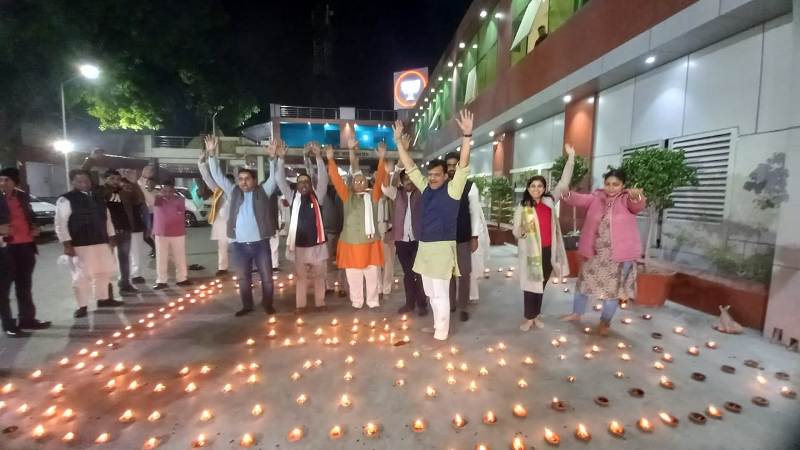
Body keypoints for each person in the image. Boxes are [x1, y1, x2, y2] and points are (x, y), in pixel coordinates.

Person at [393, 110, 474, 341]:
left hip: (442, 247)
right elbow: (409, 166)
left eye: (437, 175)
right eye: (430, 174)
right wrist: (398, 142)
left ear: (446, 176)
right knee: (429, 292)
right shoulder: (425, 188)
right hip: (425, 246)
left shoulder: (453, 189)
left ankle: (442, 331)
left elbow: (464, 164)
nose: (432, 178)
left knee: (440, 293)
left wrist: (467, 136)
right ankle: (438, 324)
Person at [560, 168, 646, 335]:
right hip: (595, 253)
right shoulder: (596, 198)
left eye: (616, 184)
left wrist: (637, 197)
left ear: (623, 185)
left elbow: (638, 206)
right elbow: (579, 199)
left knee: (611, 292)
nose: (611, 187)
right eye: (608, 184)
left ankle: (605, 322)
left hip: (617, 257)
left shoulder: (627, 199)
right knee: (583, 284)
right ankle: (576, 313)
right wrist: (567, 193)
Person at [206, 135, 279, 316]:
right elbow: (218, 177)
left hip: (260, 244)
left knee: (267, 278)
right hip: (239, 245)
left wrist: (273, 158)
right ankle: (247, 305)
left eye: (247, 178)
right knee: (243, 278)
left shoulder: (264, 191)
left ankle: (267, 304)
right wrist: (211, 154)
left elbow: (275, 177)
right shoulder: (233, 192)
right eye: (240, 179)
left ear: (254, 180)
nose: (243, 182)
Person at [513, 144, 575, 331]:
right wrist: (522, 230)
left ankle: (536, 315)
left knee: (541, 284)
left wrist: (571, 157)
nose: (536, 189)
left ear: (544, 188)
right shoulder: (522, 208)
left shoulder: (549, 202)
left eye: (540, 186)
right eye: (533, 186)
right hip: (532, 254)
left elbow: (564, 183)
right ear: (528, 188)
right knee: (530, 286)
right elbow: (516, 232)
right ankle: (529, 318)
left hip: (548, 251)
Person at [326, 139, 387, 309]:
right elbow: (336, 179)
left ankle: (373, 301)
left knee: (372, 274)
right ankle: (357, 301)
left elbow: (380, 177)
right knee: (353, 276)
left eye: (363, 181)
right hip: (351, 243)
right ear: (352, 183)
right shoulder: (347, 197)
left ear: (368, 183)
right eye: (356, 181)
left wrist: (381, 158)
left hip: (370, 243)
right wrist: (330, 159)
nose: (360, 183)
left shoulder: (373, 197)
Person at [55, 169, 121, 318]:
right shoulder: (66, 199)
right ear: (73, 182)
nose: (84, 184)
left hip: (101, 241)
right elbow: (60, 223)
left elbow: (107, 218)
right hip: (80, 243)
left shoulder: (97, 197)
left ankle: (103, 299)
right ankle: (82, 305)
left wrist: (111, 236)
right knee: (81, 276)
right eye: (79, 181)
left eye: (86, 180)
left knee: (104, 271)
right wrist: (66, 244)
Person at [274, 142, 329, 314]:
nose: (303, 184)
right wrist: (281, 159)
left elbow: (324, 179)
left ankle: (320, 303)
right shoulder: (292, 198)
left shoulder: (317, 196)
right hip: (299, 246)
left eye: (306, 181)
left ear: (311, 185)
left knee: (320, 277)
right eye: (300, 182)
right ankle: (301, 306)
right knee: (301, 278)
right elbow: (279, 180)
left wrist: (319, 157)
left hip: (318, 245)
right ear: (297, 186)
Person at [81, 151, 141, 296]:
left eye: (117, 178)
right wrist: (90, 160)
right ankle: (105, 292)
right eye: (112, 178)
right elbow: (83, 174)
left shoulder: (125, 191)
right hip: (107, 232)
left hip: (125, 229)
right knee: (105, 261)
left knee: (124, 258)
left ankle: (125, 284)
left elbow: (138, 200)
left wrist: (134, 182)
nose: (115, 181)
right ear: (105, 179)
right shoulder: (99, 191)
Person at [0, 168, 51, 334]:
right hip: (5, 248)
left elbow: (30, 215)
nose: (3, 183)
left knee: (24, 286)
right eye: (1, 180)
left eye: (7, 179)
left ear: (15, 182)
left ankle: (27, 319)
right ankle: (8, 325)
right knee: (3, 289)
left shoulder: (22, 195)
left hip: (26, 246)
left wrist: (34, 227)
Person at [381, 163, 426, 316]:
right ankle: (409, 303)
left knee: (418, 273)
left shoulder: (421, 193)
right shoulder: (397, 193)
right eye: (405, 179)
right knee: (408, 273)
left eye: (410, 178)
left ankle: (422, 304)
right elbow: (385, 187)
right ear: (402, 181)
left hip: (418, 240)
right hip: (401, 240)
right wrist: (390, 171)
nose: (408, 182)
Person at [444, 149, 484, 323]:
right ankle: (450, 303)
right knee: (448, 274)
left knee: (464, 273)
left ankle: (463, 306)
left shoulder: (469, 186)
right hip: (444, 239)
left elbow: (474, 212)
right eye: (450, 165)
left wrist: (474, 236)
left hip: (463, 238)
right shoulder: (441, 185)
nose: (452, 168)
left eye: (455, 165)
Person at [138, 178, 191, 289]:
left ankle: (182, 278)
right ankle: (161, 281)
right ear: (161, 190)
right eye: (164, 191)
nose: (167, 194)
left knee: (180, 257)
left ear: (173, 190)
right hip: (161, 233)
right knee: (161, 257)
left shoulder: (180, 200)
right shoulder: (158, 200)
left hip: (178, 233)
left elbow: (181, 213)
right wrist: (141, 185)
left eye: (169, 191)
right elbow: (149, 198)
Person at [198, 147, 234, 276]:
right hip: (222, 224)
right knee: (222, 247)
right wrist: (201, 163)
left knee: (242, 247)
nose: (226, 184)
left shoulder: (236, 192)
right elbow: (207, 178)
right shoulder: (218, 191)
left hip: (236, 225)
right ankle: (222, 268)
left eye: (229, 182)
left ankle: (246, 266)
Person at [120, 175, 148, 284]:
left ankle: (136, 275)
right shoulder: (116, 197)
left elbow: (142, 200)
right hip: (122, 230)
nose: (127, 187)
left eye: (129, 185)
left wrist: (135, 183)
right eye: (124, 185)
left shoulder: (135, 197)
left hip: (136, 228)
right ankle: (124, 276)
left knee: (136, 253)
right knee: (123, 254)